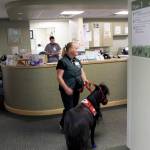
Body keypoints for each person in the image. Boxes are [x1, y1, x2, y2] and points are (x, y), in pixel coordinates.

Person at [56, 42, 88, 129]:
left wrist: (85, 81)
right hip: (67, 88)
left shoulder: (77, 61)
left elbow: (81, 72)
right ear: (70, 50)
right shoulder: (62, 61)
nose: (78, 50)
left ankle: (67, 123)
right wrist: (66, 88)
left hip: (76, 88)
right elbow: (59, 77)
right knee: (69, 108)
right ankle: (64, 125)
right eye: (76, 49)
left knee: (73, 107)